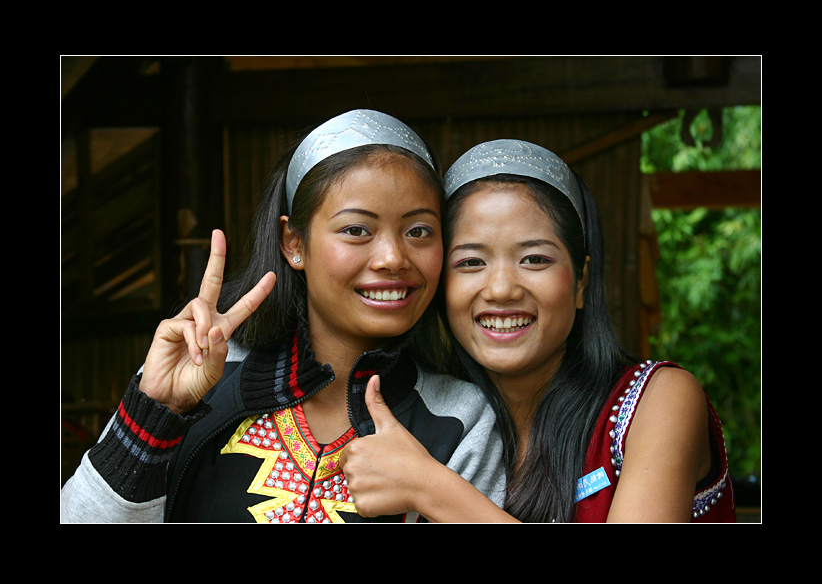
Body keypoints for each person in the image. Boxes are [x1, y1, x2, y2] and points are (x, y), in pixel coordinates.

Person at [60, 110, 506, 523]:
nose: (392, 257)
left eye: (418, 231)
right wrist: (154, 415)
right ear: (293, 242)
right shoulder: (203, 375)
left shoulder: (462, 419)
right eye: (356, 230)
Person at [340, 139, 736, 522]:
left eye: (533, 259)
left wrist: (428, 488)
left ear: (581, 281)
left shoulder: (658, 400)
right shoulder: (421, 415)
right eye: (471, 262)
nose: (501, 289)